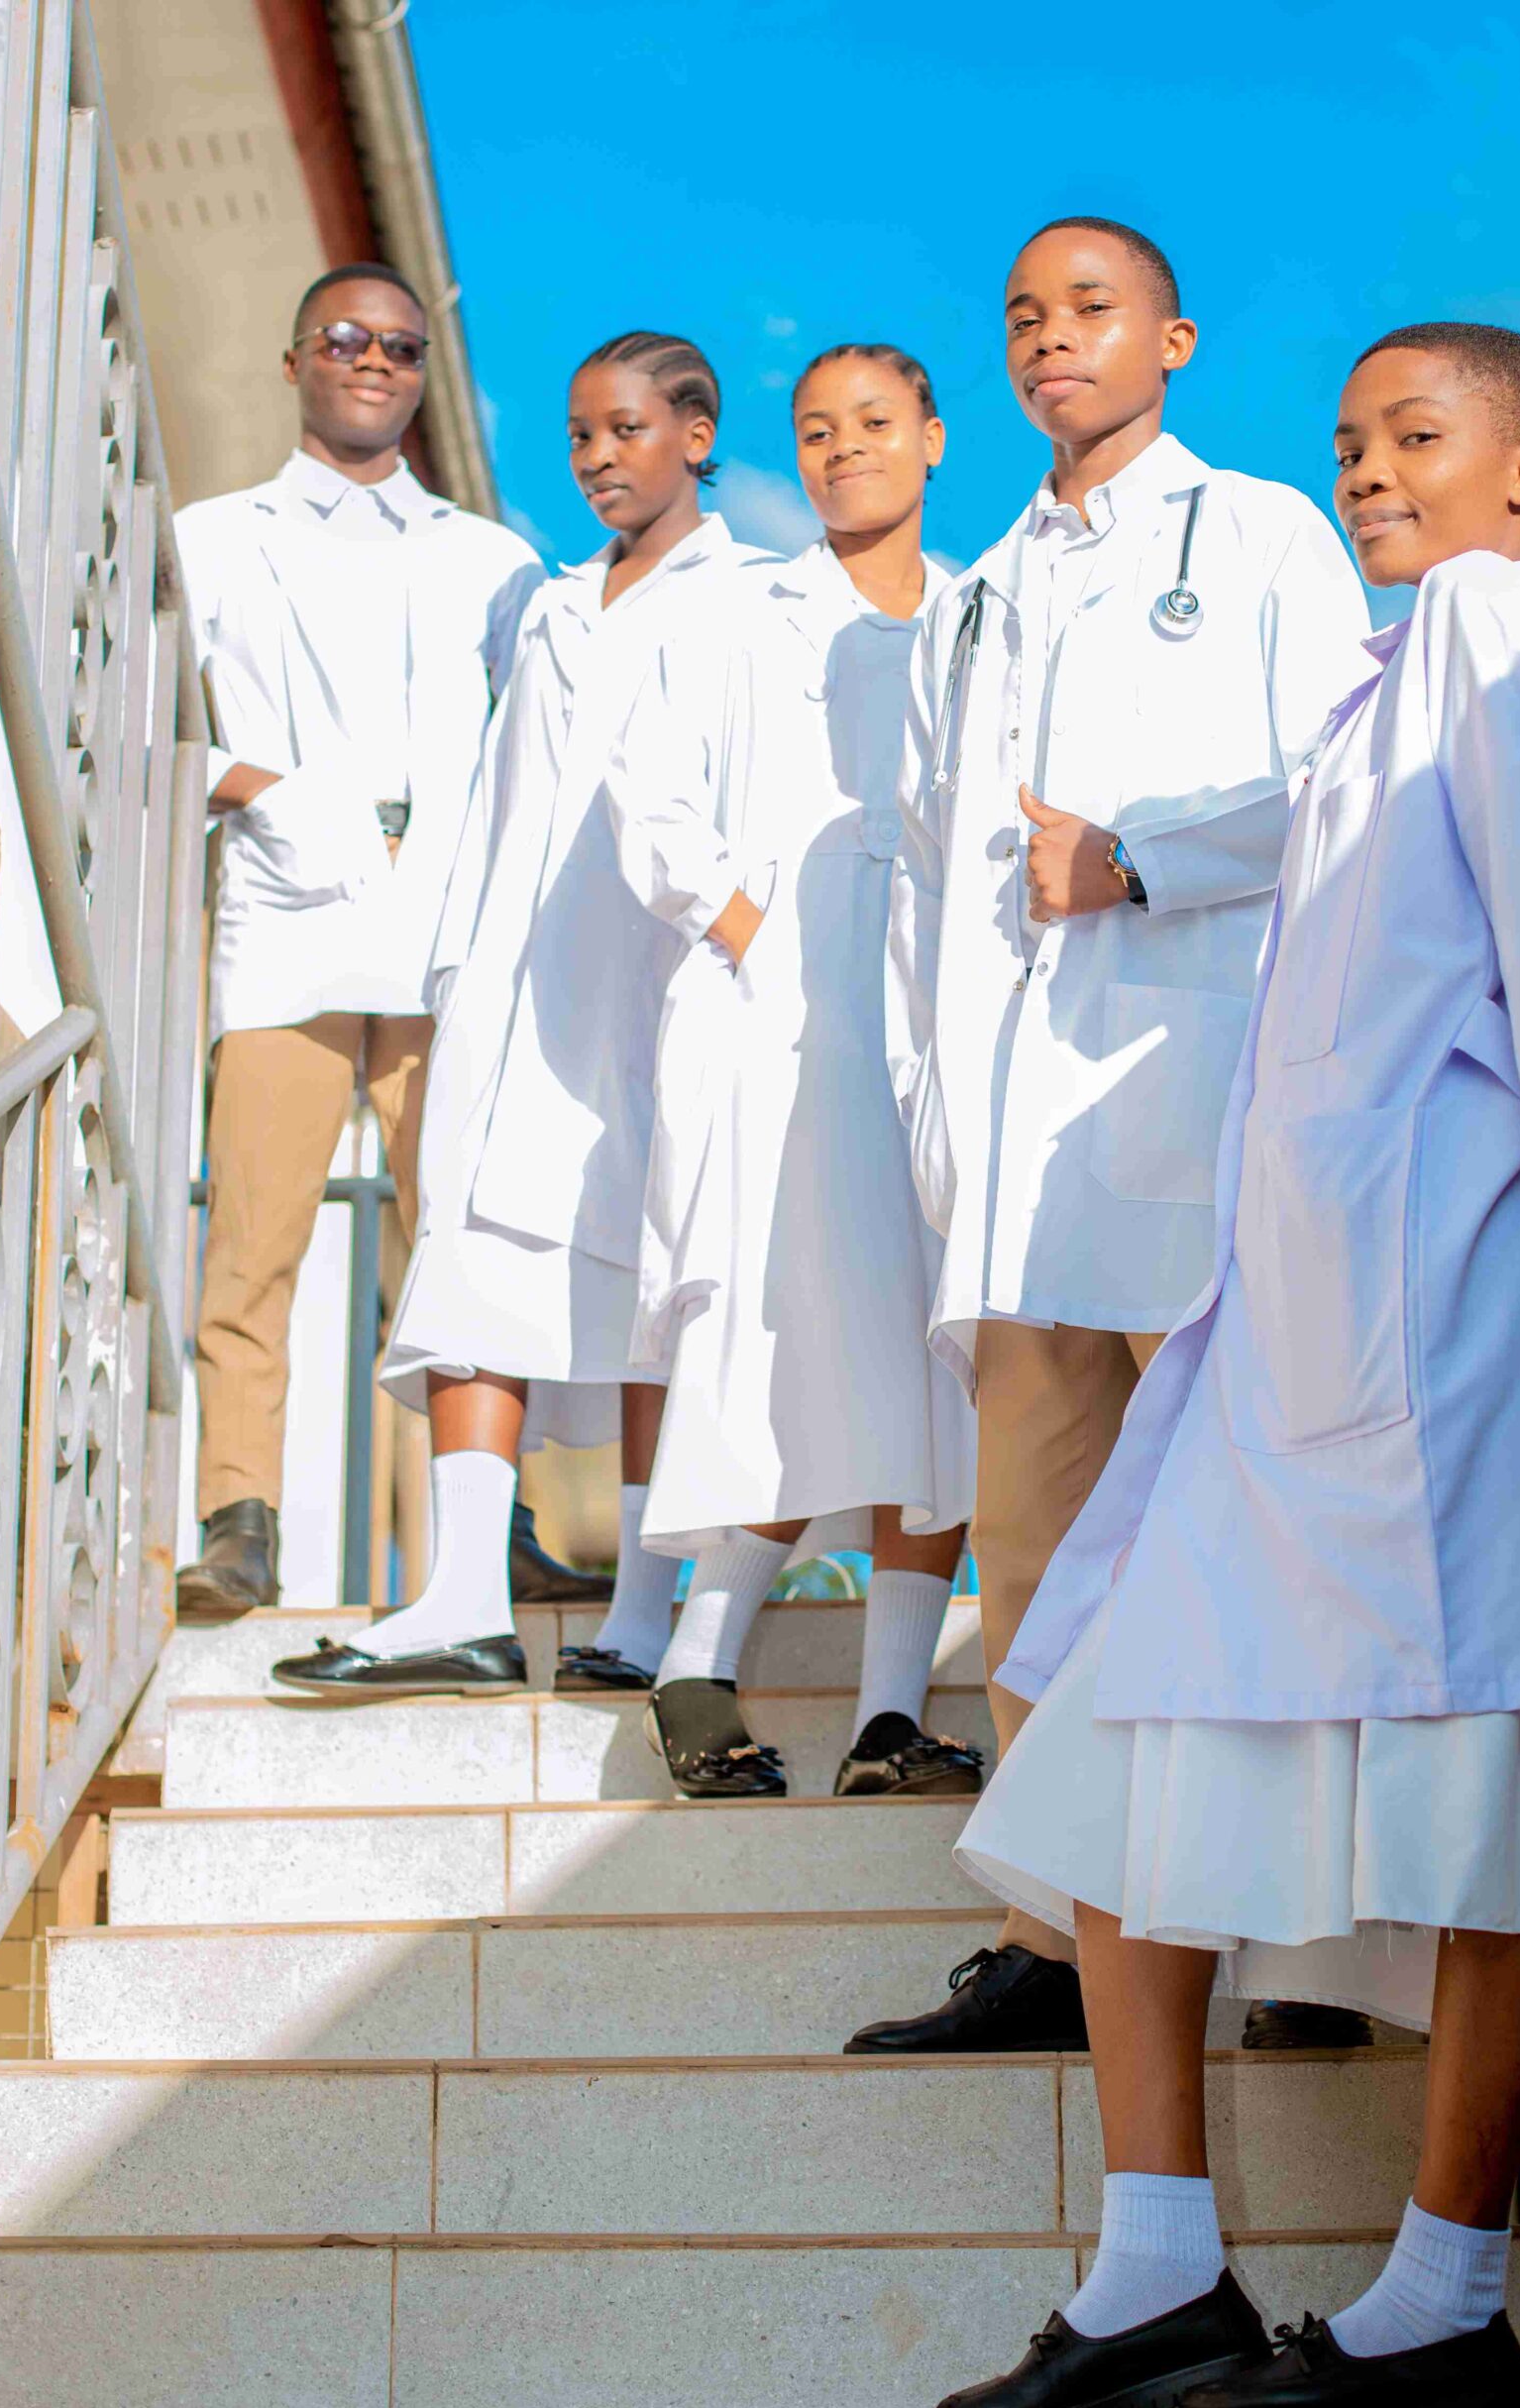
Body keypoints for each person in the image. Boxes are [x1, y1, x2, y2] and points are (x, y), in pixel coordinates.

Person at [933, 323, 1520, 2408]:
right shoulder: (1388, 680)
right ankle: (1159, 2269)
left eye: (1418, 435)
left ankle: (1441, 2297)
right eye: (1353, 441)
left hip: (1443, 1287)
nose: (1371, 469)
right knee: (1124, 1724)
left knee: (1492, 1770)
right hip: (1301, 1306)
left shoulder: (1496, 622)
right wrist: (1130, 852)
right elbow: (1283, 832)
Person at [845, 218, 1370, 2055]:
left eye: (1090, 311)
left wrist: (1145, 859)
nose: (1051, 341)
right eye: (1023, 317)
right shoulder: (978, 591)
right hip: (1017, 1157)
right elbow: (930, 884)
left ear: (1174, 340)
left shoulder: (1261, 535)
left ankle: (1305, 1945)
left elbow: (1342, 780)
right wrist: (936, 1119)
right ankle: (1061, 1948)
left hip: (1198, 1109)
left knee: (1253, 1533)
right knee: (1042, 1559)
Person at [271, 334, 775, 1692]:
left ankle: (645, 1613)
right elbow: (499, 807)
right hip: (516, 989)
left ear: (696, 434)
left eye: (626, 430)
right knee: (472, 1274)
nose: (599, 458)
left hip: (665, 992)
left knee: (662, 1287)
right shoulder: (552, 610)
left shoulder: (754, 605)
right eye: (579, 436)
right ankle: (461, 1600)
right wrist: (458, 973)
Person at [608, 345, 979, 1799]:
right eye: (815, 431)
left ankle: (889, 1715)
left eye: (873, 423)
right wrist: (753, 928)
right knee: (779, 1334)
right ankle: (698, 1662)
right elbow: (648, 791)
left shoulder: (984, 616)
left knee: (934, 1345)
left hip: (939, 1025)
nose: (842, 450)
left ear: (933, 438)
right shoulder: (741, 614)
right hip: (777, 1027)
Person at [173, 265, 544, 1621]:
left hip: (448, 940)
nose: (373, 361)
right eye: (344, 339)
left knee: (465, 1245)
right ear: (295, 361)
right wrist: (269, 795)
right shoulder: (210, 539)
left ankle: (490, 1536)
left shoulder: (493, 561)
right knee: (255, 1241)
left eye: (399, 346)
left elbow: (551, 736)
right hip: (289, 929)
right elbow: (146, 724)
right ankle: (239, 1522)